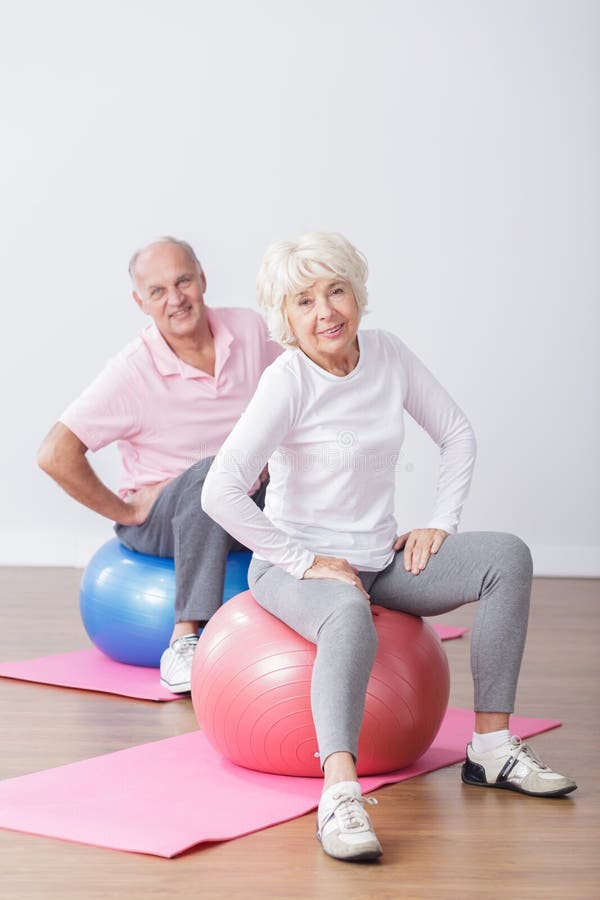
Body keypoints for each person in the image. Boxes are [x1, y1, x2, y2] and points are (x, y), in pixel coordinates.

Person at [201, 232, 577, 862]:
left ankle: (489, 749)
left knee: (506, 557)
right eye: (304, 301)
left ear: (357, 294)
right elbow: (221, 491)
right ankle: (339, 796)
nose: (326, 312)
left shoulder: (389, 355)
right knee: (346, 612)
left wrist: (441, 522)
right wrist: (304, 560)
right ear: (286, 319)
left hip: (378, 557)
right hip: (292, 569)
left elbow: (456, 432)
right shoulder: (287, 379)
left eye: (336, 290)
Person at [38, 237, 281, 691]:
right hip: (164, 521)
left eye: (184, 281)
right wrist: (126, 511)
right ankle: (186, 638)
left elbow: (300, 400)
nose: (176, 299)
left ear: (202, 279)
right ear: (141, 302)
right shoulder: (132, 371)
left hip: (246, 504)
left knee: (304, 467)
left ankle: (351, 593)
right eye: (158, 291)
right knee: (214, 473)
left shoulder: (249, 331)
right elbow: (54, 453)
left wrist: (271, 457)